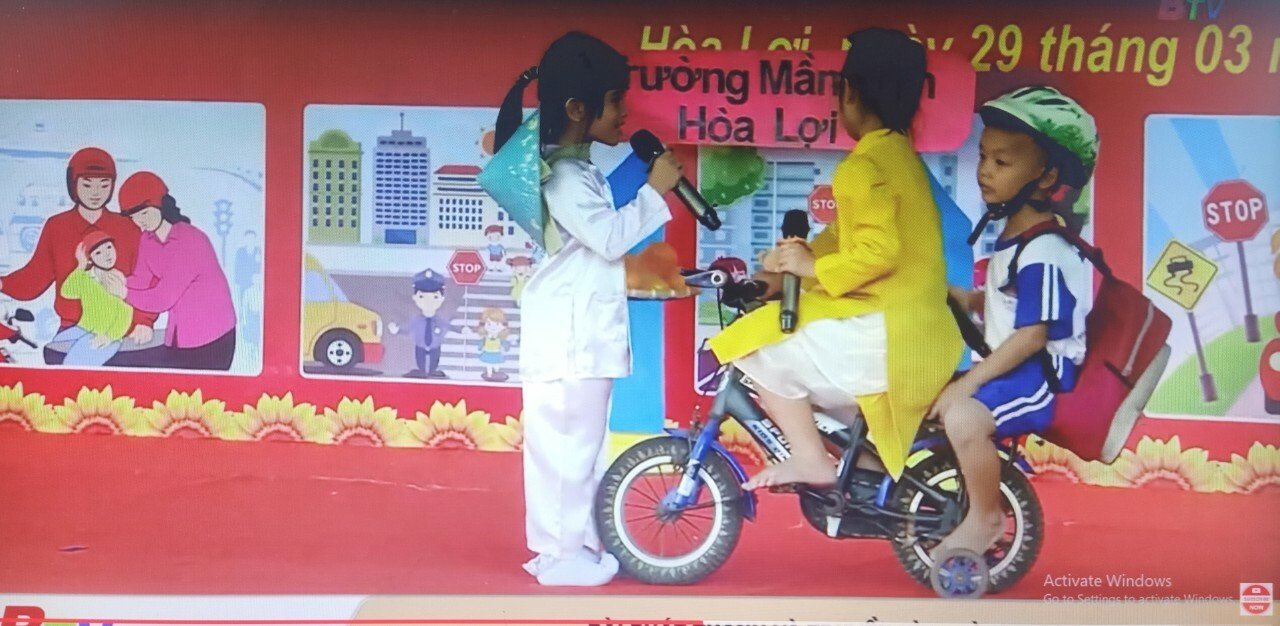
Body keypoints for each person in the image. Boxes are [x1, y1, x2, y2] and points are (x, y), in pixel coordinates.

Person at [707, 28, 964, 490]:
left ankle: (810, 459)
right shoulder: (899, 157)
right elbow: (846, 239)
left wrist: (809, 269)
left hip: (889, 332)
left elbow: (878, 251)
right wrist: (794, 263)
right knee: (817, 374)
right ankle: (862, 478)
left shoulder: (862, 167)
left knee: (757, 348)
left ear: (849, 94)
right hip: (919, 330)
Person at [494, 31, 682, 586]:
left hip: (576, 333)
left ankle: (572, 546)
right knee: (566, 451)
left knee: (578, 448)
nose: (625, 112)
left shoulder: (575, 170)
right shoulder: (564, 176)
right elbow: (608, 238)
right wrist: (655, 192)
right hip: (569, 338)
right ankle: (560, 555)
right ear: (578, 108)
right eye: (616, 100)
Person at [931, 86, 1097, 556]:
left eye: (1001, 162)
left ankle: (986, 518)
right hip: (1016, 365)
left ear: (1047, 177)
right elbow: (1009, 305)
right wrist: (964, 299)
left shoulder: (1044, 249)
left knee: (963, 416)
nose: (984, 170)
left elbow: (1032, 335)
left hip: (1040, 375)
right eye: (984, 157)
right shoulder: (1018, 239)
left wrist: (967, 385)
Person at [0, 148, 154, 357]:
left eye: (104, 185)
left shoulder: (128, 228)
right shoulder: (57, 226)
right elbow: (35, 276)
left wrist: (144, 321)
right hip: (72, 329)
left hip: (122, 330)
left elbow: (148, 279)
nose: (95, 193)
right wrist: (3, 284)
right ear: (73, 185)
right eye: (87, 185)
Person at [120, 171, 238, 370]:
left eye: (144, 213)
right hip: (179, 336)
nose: (140, 221)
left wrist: (122, 292)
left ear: (161, 204)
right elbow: (141, 279)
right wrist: (117, 280)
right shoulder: (147, 240)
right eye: (134, 217)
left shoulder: (190, 240)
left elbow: (162, 299)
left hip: (212, 339)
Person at [53, 229, 134, 366]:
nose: (107, 254)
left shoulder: (117, 279)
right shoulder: (86, 277)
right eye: (98, 253)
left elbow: (126, 312)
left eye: (109, 247)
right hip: (83, 328)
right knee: (56, 344)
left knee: (75, 360)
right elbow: (67, 292)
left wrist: (110, 336)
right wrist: (80, 266)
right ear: (90, 258)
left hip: (108, 334)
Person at [476, 307, 513, 382]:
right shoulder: (486, 338)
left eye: (497, 324)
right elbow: (481, 344)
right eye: (489, 324)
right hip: (487, 353)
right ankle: (489, 374)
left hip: (496, 353)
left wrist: (506, 347)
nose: (493, 327)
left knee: (496, 365)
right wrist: (480, 347)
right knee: (488, 365)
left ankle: (496, 371)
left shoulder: (499, 338)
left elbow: (505, 344)